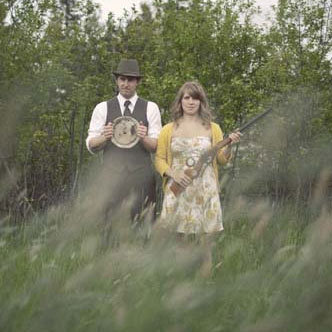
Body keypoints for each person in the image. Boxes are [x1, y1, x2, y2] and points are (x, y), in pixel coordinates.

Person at [86, 59, 162, 239]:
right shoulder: (102, 108)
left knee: (144, 227)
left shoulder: (151, 108)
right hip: (111, 175)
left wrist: (144, 137)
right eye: (122, 79)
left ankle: (143, 263)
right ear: (116, 81)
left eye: (130, 79)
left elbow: (156, 146)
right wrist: (104, 136)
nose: (125, 84)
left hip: (141, 175)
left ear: (137, 82)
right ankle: (109, 263)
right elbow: (91, 145)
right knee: (109, 227)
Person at [155, 81, 241, 236]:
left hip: (205, 190)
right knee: (176, 241)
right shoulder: (168, 129)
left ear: (201, 102)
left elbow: (221, 160)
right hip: (178, 187)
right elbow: (159, 159)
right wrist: (174, 174)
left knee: (205, 244)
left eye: (195, 98)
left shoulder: (213, 128)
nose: (191, 102)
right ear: (180, 101)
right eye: (187, 97)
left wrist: (229, 145)